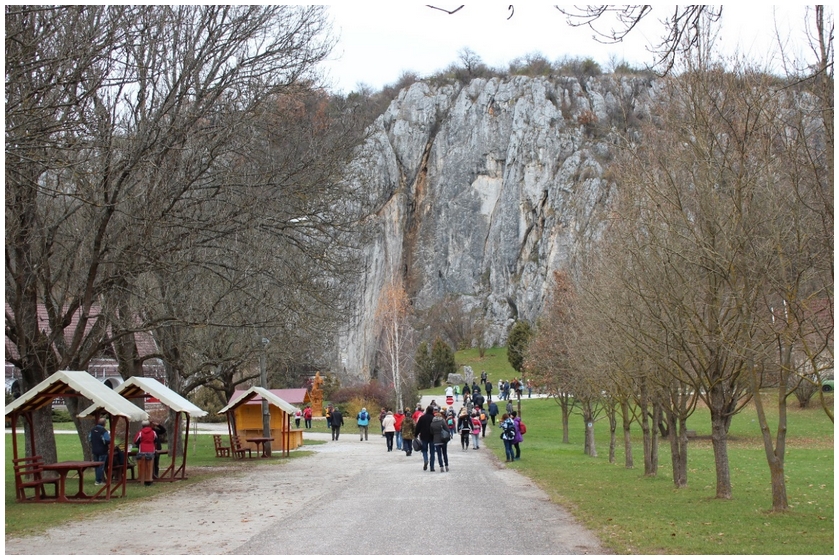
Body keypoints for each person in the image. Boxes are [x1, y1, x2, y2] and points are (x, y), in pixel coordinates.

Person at [133, 420, 157, 486]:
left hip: (142, 449)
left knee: (142, 464)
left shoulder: (140, 432)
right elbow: (155, 440)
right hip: (151, 449)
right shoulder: (153, 432)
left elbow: (136, 441)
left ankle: (142, 477)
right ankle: (149, 477)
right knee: (150, 464)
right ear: (149, 425)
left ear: (142, 426)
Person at [414, 405, 436, 471]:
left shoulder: (422, 418)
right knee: (432, 451)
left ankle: (425, 460)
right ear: (432, 411)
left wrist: (415, 435)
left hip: (424, 436)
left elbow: (418, 427)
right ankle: (432, 467)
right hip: (432, 436)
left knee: (424, 450)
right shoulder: (434, 418)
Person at [89, 417, 110, 486]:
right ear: (104, 424)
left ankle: (97, 479)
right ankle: (98, 481)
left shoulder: (92, 430)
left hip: (95, 450)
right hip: (102, 450)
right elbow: (107, 440)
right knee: (101, 466)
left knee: (96, 465)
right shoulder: (103, 431)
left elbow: (89, 438)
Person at [430, 408, 449, 472]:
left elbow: (431, 432)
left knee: (439, 454)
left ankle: (441, 467)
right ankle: (446, 465)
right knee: (445, 453)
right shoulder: (442, 421)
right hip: (443, 439)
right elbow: (447, 430)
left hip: (436, 440)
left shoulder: (432, 423)